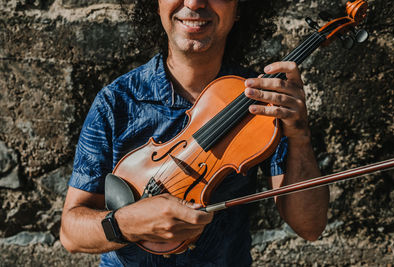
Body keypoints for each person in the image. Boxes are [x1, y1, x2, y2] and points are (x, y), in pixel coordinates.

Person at [60, 0, 329, 266]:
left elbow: (310, 227)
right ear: (155, 4)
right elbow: (71, 234)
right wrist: (128, 224)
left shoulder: (262, 104)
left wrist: (299, 135)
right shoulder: (116, 101)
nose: (195, 2)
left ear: (239, 9)